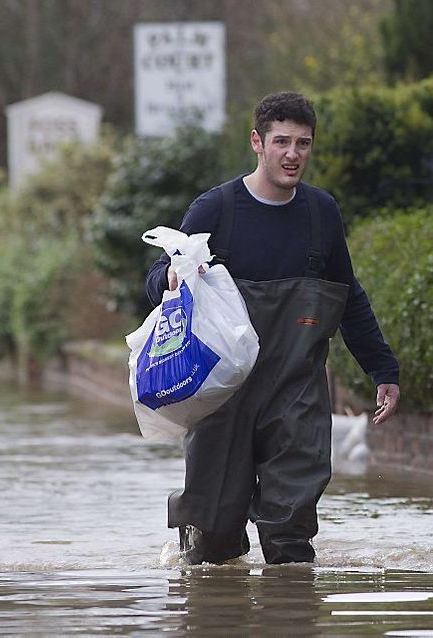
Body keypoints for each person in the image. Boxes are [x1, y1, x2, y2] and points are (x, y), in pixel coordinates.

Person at [145, 91, 400, 565]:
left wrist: (382, 369)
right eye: (282, 142)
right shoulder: (215, 210)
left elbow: (348, 297)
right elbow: (154, 279)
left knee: (291, 536)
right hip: (222, 395)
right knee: (214, 540)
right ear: (257, 142)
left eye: (303, 144)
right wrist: (171, 276)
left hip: (296, 391)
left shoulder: (321, 213)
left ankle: (291, 616)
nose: (293, 154)